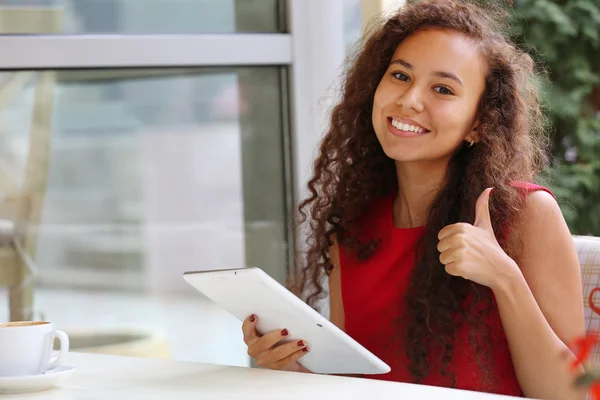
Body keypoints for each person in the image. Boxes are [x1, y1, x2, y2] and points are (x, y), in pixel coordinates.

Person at [241, 0, 586, 398]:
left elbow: (571, 394)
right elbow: (354, 385)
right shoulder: (353, 226)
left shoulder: (527, 214)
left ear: (479, 122)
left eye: (443, 88)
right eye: (400, 75)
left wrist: (504, 278)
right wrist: (292, 366)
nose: (409, 100)